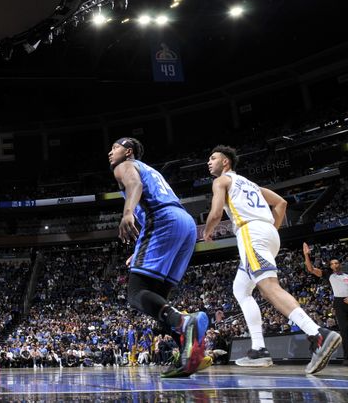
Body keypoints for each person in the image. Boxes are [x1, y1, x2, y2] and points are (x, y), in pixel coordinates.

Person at [203, 145, 341, 374]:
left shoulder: (221, 181)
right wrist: (271, 230)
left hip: (250, 233)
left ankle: (317, 334)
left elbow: (216, 213)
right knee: (241, 289)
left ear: (225, 162)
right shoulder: (252, 185)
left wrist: (207, 232)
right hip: (269, 234)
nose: (209, 162)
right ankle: (258, 349)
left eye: (213, 158)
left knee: (268, 288)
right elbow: (281, 203)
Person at [108, 137, 207, 378]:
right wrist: (139, 249)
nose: (110, 153)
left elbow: (135, 187)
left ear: (128, 151)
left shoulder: (125, 166)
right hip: (184, 223)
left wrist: (127, 213)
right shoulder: (150, 169)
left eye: (115, 148)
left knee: (135, 293)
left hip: (162, 220)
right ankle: (192, 352)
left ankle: (185, 322)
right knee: (159, 302)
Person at [302, 243, 348, 365]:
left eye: (336, 263)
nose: (334, 265)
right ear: (330, 266)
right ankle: (347, 358)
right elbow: (310, 269)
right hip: (339, 303)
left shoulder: (347, 275)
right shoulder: (328, 275)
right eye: (332, 264)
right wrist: (306, 255)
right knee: (344, 330)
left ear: (340, 264)